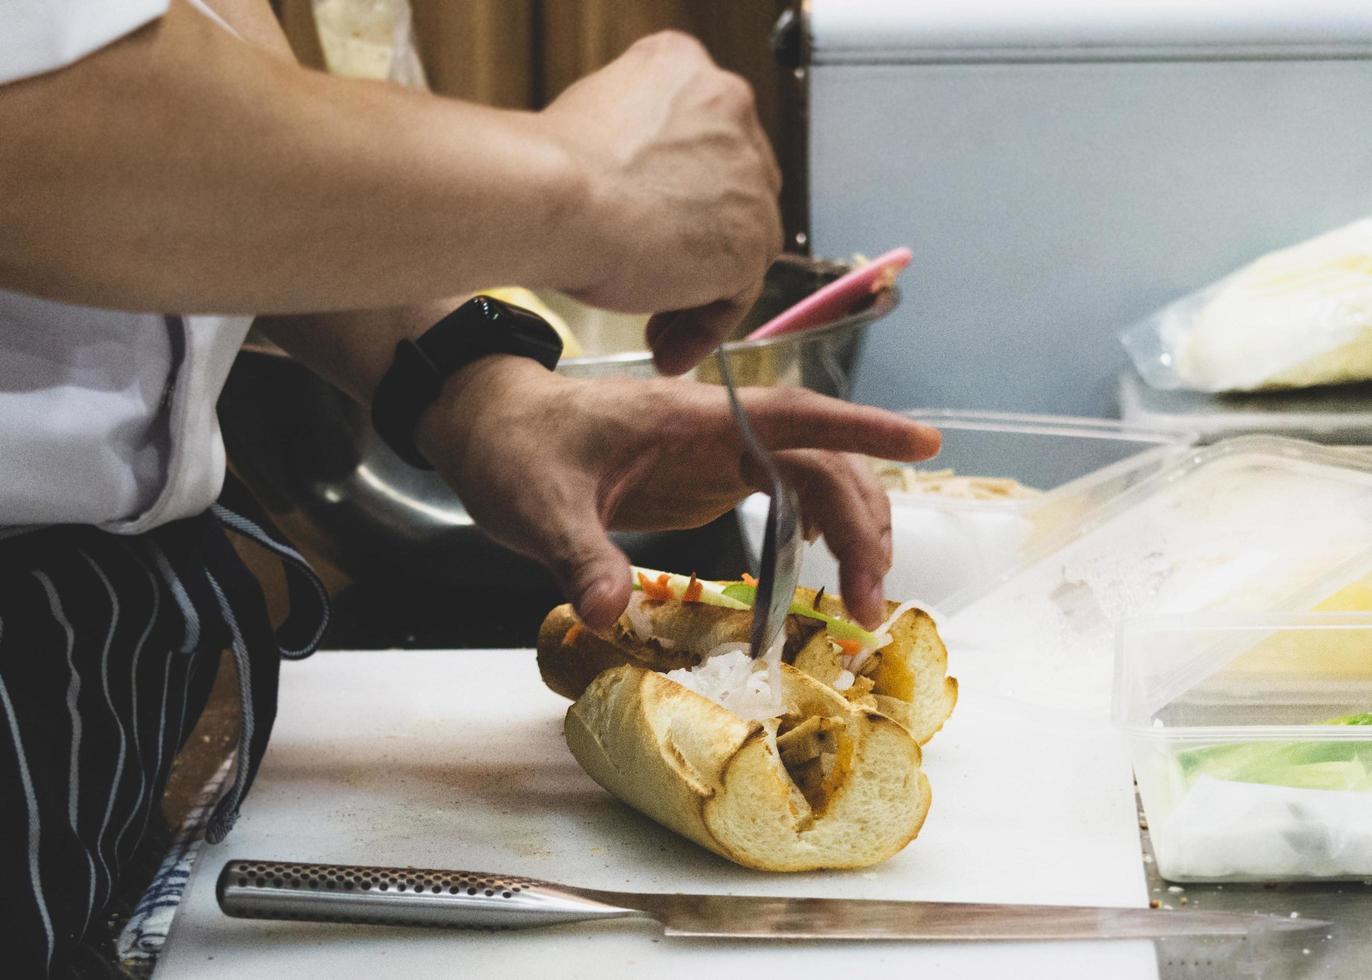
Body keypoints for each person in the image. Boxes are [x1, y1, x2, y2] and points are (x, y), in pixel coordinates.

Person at [0, 1, 940, 975]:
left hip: (107, 681)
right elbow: (42, 109)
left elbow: (212, 71)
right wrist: (585, 178)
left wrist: (473, 388)